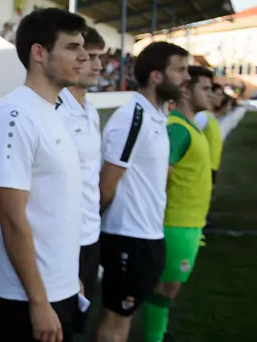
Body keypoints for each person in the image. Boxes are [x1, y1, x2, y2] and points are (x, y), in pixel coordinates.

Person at [0, 7, 88, 342]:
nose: (84, 57)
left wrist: (68, 278)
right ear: (39, 53)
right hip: (24, 299)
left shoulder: (50, 112)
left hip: (59, 288)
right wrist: (40, 301)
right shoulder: (15, 117)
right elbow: (11, 218)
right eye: (73, 47)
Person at [93, 42, 190, 342]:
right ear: (157, 76)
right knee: (116, 318)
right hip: (127, 237)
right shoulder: (131, 117)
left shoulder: (156, 117)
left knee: (121, 316)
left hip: (148, 236)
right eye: (180, 70)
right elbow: (106, 185)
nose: (186, 77)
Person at [141, 65, 214, 342]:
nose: (211, 94)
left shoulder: (189, 127)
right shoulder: (178, 130)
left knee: (168, 288)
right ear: (186, 90)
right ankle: (154, 337)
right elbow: (158, 177)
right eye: (205, 88)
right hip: (176, 225)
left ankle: (159, 334)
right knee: (165, 288)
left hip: (189, 223)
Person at [54, 25, 105, 333]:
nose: (97, 64)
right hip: (64, 241)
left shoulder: (91, 112)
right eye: (90, 56)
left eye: (100, 57)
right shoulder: (55, 112)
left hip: (90, 236)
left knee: (77, 326)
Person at [194, 82, 223, 185]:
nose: (221, 98)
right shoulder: (202, 116)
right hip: (203, 167)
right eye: (218, 94)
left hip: (212, 166)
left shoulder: (212, 117)